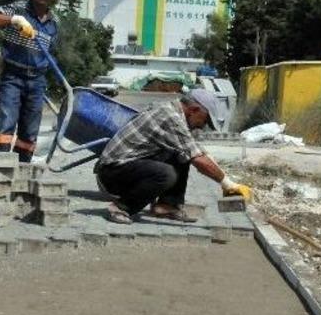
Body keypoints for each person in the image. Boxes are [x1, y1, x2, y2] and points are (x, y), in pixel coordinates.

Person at [94, 89, 252, 224]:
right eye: (204, 120)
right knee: (166, 174)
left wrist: (227, 181)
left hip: (124, 167)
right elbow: (198, 160)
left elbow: (196, 151)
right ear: (194, 109)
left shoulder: (172, 111)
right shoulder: (170, 117)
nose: (203, 126)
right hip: (111, 175)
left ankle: (167, 206)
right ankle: (120, 208)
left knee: (181, 153)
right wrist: (227, 184)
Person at [0, 0, 59, 162]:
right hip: (13, 76)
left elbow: (51, 52)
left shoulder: (54, 23)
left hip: (37, 81)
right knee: (6, 124)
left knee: (30, 132)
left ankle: (23, 168)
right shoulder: (18, 9)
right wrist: (13, 20)